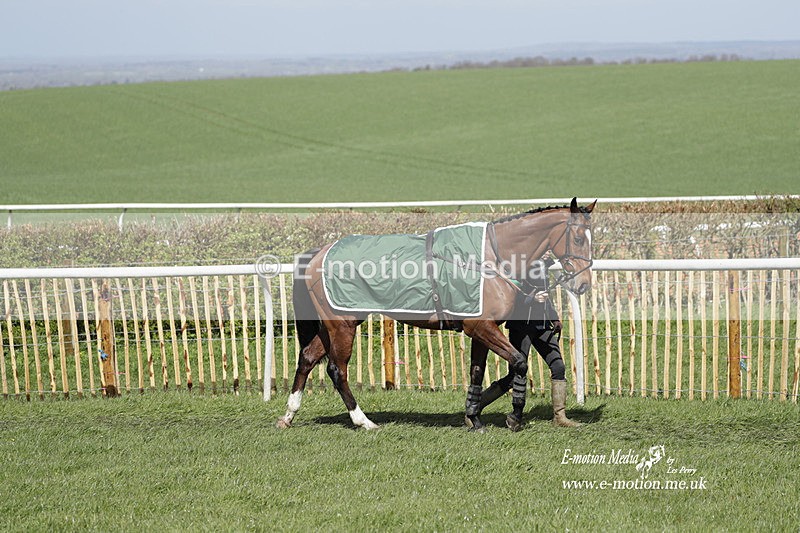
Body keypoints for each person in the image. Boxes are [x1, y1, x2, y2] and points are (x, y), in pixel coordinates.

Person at [478, 258, 580, 429]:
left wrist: (554, 317)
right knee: (516, 375)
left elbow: (546, 296)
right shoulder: (517, 265)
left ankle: (560, 417)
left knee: (559, 368)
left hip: (542, 326)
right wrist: (533, 299)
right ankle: (483, 404)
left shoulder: (543, 265)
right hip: (521, 327)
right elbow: (511, 300)